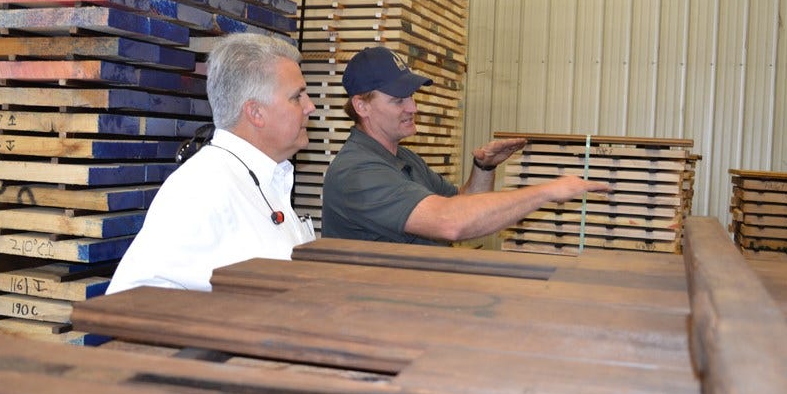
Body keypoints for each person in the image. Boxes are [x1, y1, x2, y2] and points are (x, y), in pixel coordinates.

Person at [321, 46, 611, 245]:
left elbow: (459, 203)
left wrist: (485, 167)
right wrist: (546, 192)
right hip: (373, 317)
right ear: (362, 106)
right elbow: (451, 222)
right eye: (398, 100)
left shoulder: (402, 157)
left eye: (411, 96)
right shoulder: (357, 172)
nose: (413, 107)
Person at [107, 32, 317, 294]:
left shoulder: (269, 178)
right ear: (256, 112)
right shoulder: (201, 188)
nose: (311, 107)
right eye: (297, 96)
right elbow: (130, 302)